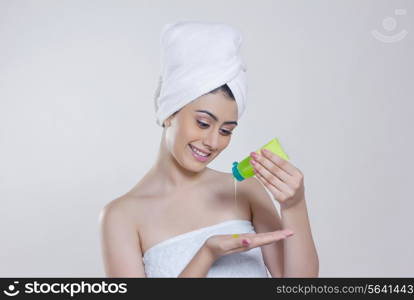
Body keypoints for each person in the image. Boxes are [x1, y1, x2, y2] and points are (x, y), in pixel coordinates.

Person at [99, 21, 319, 278]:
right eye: (203, 123)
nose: (214, 142)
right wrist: (206, 255)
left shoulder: (244, 189)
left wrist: (294, 205)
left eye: (226, 131)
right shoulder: (121, 216)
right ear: (169, 112)